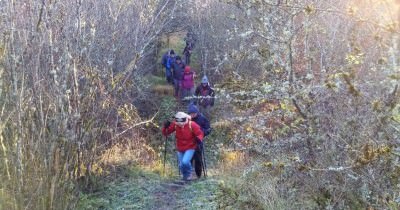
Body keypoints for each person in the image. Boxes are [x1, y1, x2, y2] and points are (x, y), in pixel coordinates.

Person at [162, 112, 204, 181]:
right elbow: (166, 133)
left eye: (181, 124)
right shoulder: (175, 124)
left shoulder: (192, 124)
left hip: (191, 147)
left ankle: (190, 174)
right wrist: (165, 127)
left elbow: (200, 133)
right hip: (180, 148)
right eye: (179, 124)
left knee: (185, 162)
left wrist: (198, 138)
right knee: (181, 165)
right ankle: (185, 178)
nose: (180, 125)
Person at [188, 104, 211, 178]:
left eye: (193, 113)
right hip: (188, 141)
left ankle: (198, 176)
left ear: (197, 112)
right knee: (189, 158)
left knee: (198, 159)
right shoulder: (187, 119)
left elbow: (208, 129)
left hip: (198, 141)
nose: (192, 115)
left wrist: (201, 132)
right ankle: (188, 175)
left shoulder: (202, 118)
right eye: (190, 114)